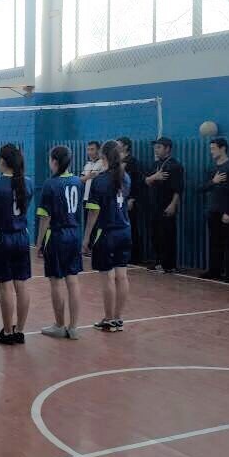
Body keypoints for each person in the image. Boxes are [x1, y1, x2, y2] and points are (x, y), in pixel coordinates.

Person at [0, 143, 34, 345]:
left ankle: (7, 332)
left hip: (2, 238)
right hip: (21, 237)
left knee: (5, 287)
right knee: (21, 284)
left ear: (2, 161)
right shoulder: (28, 183)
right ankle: (19, 330)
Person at [83, 141, 132, 332]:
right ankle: (118, 318)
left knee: (108, 277)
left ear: (103, 157)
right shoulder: (125, 177)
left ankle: (109, 319)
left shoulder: (100, 180)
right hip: (124, 231)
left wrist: (86, 237)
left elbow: (93, 212)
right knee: (122, 275)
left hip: (107, 233)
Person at [36, 146, 83, 340]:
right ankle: (74, 327)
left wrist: (39, 243)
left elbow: (45, 217)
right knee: (73, 280)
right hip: (74, 234)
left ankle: (59, 325)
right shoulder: (77, 181)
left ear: (54, 161)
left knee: (56, 281)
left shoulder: (50, 184)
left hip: (57, 235)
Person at [200, 137, 229, 283]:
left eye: (213, 148)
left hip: (225, 212)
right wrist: (214, 181)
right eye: (210, 149)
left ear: (222, 148)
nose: (211, 152)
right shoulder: (211, 168)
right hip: (212, 210)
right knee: (214, 242)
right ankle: (214, 270)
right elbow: (202, 188)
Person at [144, 137, 184, 273]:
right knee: (155, 234)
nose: (156, 150)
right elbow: (146, 181)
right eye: (155, 147)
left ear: (167, 149)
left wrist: (173, 204)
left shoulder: (175, 166)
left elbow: (179, 189)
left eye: (159, 147)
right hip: (153, 205)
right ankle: (157, 261)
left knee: (167, 235)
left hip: (166, 205)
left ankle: (169, 265)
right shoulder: (154, 164)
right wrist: (154, 177)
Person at [116, 137, 146, 264]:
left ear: (126, 146)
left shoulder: (132, 162)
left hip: (129, 199)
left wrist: (132, 198)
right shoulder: (117, 161)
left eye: (118, 144)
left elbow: (136, 182)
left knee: (131, 227)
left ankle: (135, 256)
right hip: (119, 199)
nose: (116, 147)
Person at [80, 141, 104, 255]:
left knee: (97, 224)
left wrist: (87, 177)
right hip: (86, 198)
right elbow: (81, 179)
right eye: (88, 149)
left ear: (98, 150)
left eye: (92, 149)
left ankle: (96, 248)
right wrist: (88, 176)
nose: (89, 152)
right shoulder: (87, 165)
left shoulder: (102, 163)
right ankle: (87, 247)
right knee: (88, 224)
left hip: (97, 199)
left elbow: (92, 177)